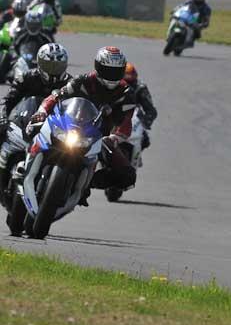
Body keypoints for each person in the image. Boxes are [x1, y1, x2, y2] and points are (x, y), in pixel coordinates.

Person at [27, 46, 138, 203]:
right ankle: (25, 163)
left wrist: (115, 137)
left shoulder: (127, 94)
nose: (111, 75)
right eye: (107, 70)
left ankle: (87, 183)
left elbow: (126, 124)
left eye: (115, 71)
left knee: (128, 176)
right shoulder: (83, 81)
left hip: (101, 136)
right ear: (98, 67)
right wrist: (42, 112)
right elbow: (56, 96)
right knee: (34, 129)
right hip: (69, 126)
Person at [0, 43, 71, 206]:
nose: (53, 70)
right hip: (23, 121)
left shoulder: (70, 84)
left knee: (77, 153)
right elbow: (8, 100)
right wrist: (3, 118)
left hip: (53, 130)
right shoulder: (27, 77)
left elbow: (77, 109)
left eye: (58, 65)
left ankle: (76, 190)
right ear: (39, 63)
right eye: (49, 65)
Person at [123, 62, 157, 151]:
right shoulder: (113, 86)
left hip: (134, 119)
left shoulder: (140, 88)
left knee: (145, 140)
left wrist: (144, 123)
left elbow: (151, 110)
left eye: (130, 82)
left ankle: (135, 157)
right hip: (115, 118)